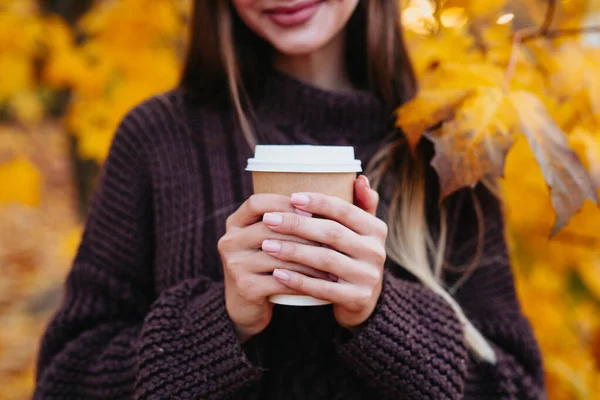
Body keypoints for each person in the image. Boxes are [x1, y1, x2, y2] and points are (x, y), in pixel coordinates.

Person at [34, 0, 545, 399]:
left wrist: (382, 315)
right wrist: (220, 323)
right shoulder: (157, 139)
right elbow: (63, 381)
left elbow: (520, 389)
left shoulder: (450, 145)